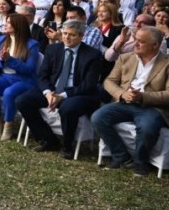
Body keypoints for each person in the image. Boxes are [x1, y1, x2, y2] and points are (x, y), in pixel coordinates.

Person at [93, 26, 169, 177]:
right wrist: (122, 94)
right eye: (136, 40)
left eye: (141, 41)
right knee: (98, 117)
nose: (135, 44)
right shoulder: (125, 58)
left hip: (153, 107)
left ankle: (140, 162)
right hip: (125, 102)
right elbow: (109, 81)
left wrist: (143, 97)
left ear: (155, 45)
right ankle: (122, 157)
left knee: (147, 127)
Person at [15, 20, 103, 159]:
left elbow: (89, 84)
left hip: (78, 93)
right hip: (53, 89)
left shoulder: (93, 55)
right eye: (65, 33)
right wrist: (48, 93)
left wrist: (63, 95)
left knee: (68, 108)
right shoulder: (53, 49)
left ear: (81, 36)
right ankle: (48, 139)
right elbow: (43, 75)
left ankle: (67, 146)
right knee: (23, 101)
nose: (67, 37)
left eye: (72, 35)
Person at [0, 14, 40, 140]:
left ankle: (8, 125)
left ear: (18, 25)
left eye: (9, 22)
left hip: (24, 80)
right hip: (4, 76)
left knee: (9, 93)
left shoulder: (32, 44)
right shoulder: (2, 40)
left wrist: (10, 60)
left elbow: (29, 69)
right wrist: (1, 60)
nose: (6, 24)